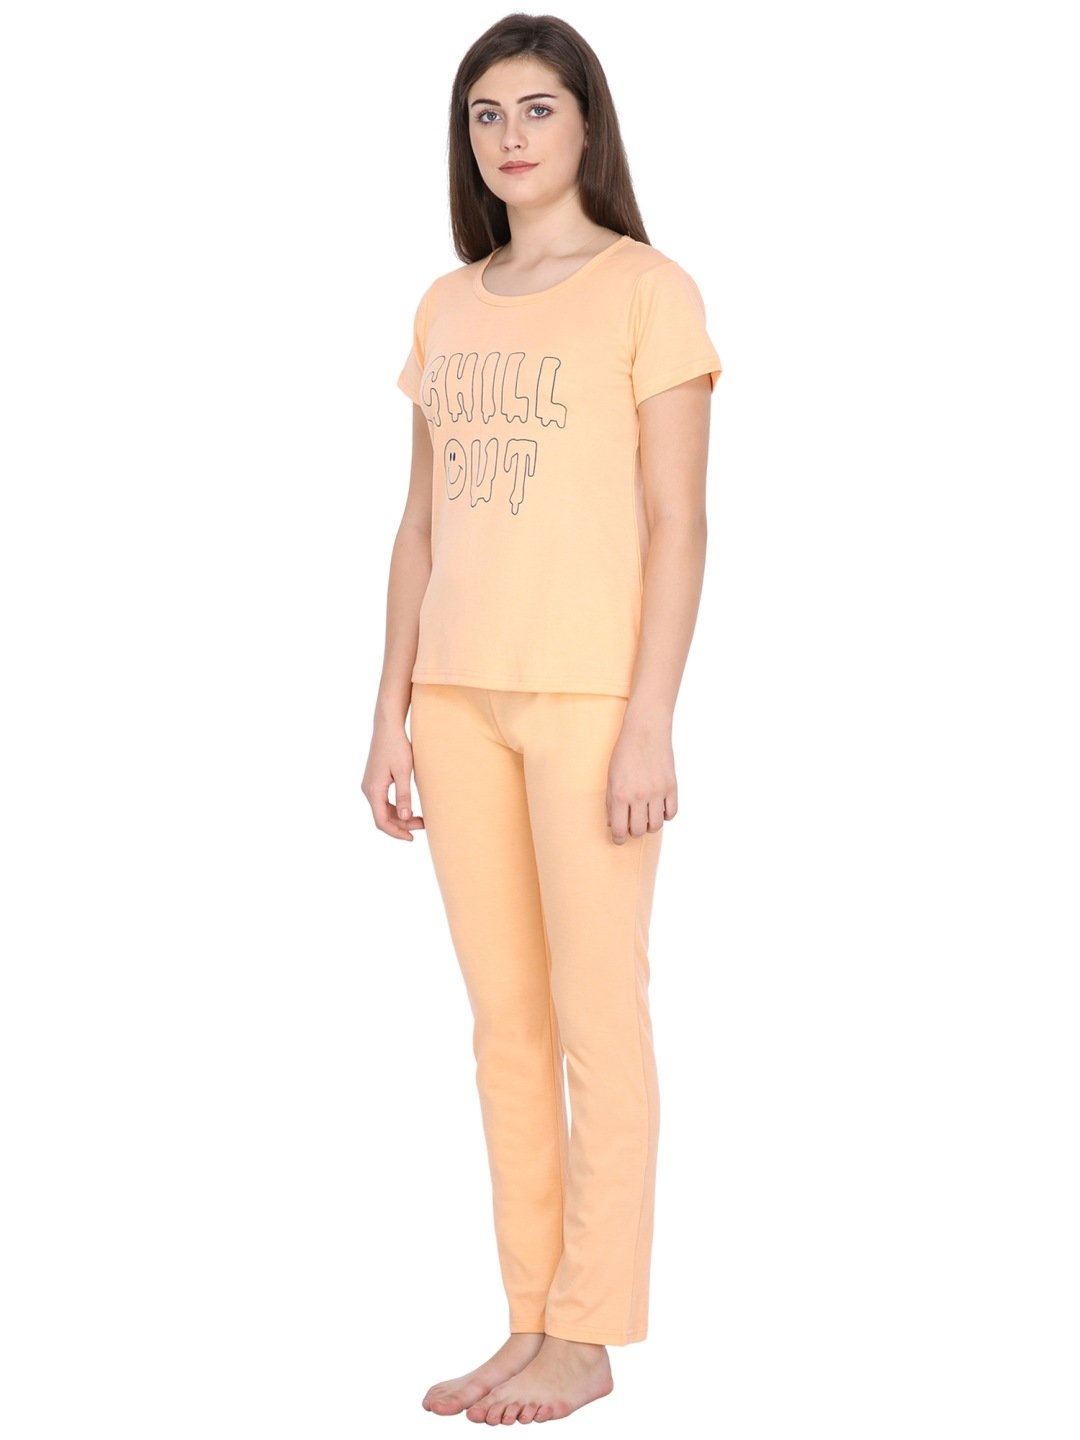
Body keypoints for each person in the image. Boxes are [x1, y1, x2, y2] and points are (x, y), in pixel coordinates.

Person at [362, 12, 723, 1425]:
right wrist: (388, 712)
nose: (509, 138)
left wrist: (651, 720)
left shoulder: (651, 291)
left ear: (586, 124)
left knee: (597, 1018)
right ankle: (528, 1319)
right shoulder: (446, 306)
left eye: (536, 109)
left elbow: (679, 521)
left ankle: (592, 1329)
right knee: (503, 1025)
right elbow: (419, 524)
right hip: (457, 700)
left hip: (588, 703)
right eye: (485, 115)